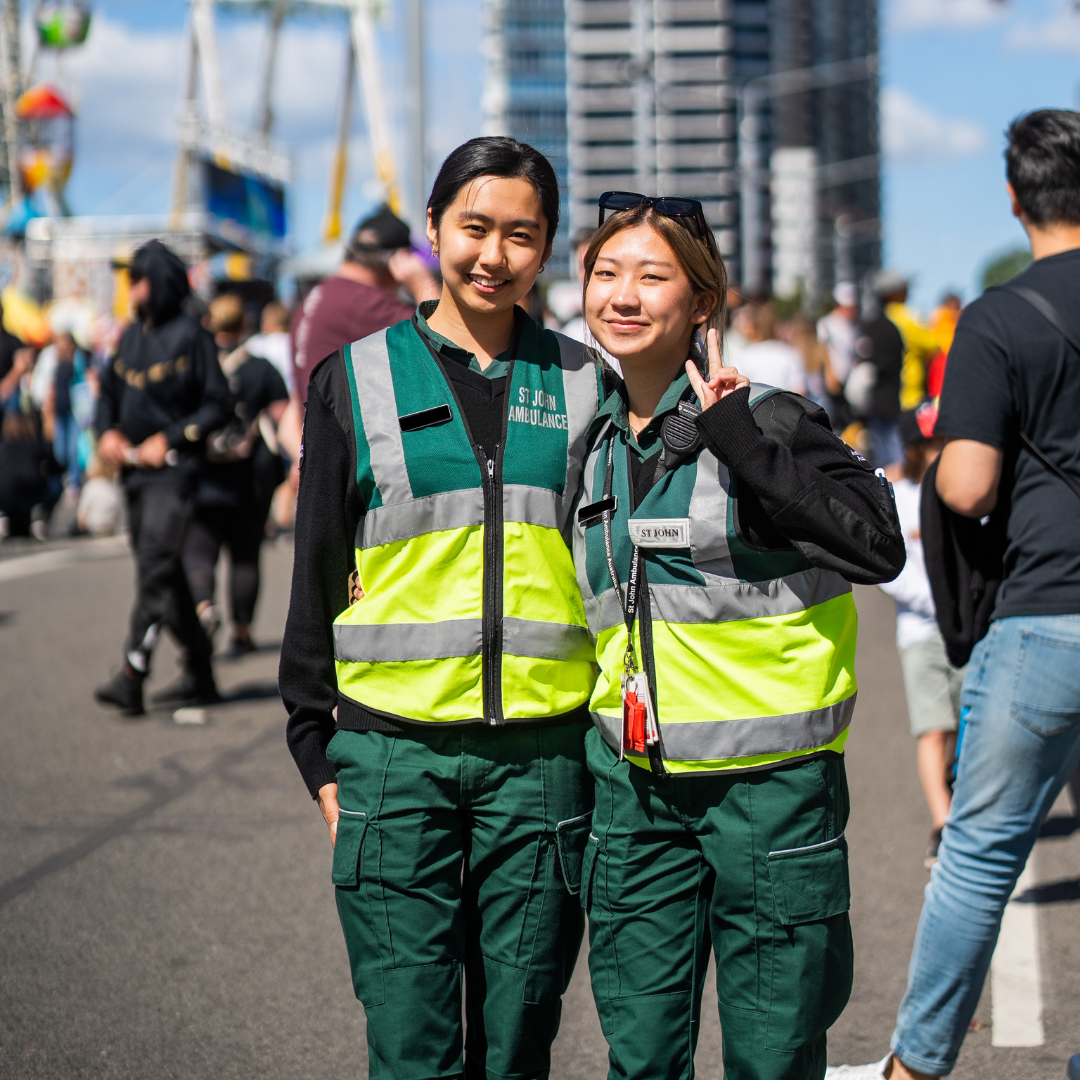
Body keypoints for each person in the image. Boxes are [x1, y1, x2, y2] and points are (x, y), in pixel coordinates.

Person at [279, 137, 602, 1079]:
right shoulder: (355, 378)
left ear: (545, 251)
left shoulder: (589, 385)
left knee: (517, 1045)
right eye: (473, 227)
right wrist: (316, 750)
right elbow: (316, 572)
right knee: (412, 1047)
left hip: (542, 764)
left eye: (520, 235)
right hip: (392, 760)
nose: (492, 256)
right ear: (431, 230)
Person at [572, 193, 905, 1080]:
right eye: (607, 274)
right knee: (640, 1059)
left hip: (768, 797)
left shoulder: (771, 417)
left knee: (773, 1059)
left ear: (703, 303)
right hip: (635, 792)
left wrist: (738, 438)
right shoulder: (590, 442)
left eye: (653, 276)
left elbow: (876, 545)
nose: (624, 295)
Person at [827, 108, 1080, 1080]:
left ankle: (915, 1069)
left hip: (1049, 611)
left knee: (979, 854)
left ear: (1014, 200)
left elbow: (969, 484)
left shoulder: (1002, 318)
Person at [93, 239, 232, 716]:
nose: (130, 288)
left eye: (137, 278)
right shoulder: (129, 336)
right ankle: (201, 671)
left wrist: (170, 439)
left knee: (154, 567)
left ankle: (132, 674)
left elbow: (219, 405)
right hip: (132, 478)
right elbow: (106, 394)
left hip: (174, 477)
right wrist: (106, 432)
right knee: (168, 580)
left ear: (159, 281)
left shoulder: (192, 335)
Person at [178, 293, 290, 661]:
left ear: (209, 323)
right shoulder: (260, 368)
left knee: (199, 548)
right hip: (250, 476)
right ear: (244, 325)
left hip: (204, 474)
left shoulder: (196, 366)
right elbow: (282, 415)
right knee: (245, 555)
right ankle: (242, 631)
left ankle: (205, 607)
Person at [877, 402, 963, 868]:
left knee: (967, 727)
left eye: (944, 444)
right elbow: (891, 568)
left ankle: (961, 803)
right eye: (929, 446)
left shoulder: (967, 492)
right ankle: (943, 823)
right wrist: (939, 604)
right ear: (912, 449)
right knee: (933, 728)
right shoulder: (900, 495)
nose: (937, 453)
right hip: (922, 631)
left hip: (969, 629)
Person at [288, 203, 440, 405]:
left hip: (320, 428)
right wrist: (422, 282)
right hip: (345, 432)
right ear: (398, 261)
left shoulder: (319, 295)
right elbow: (444, 342)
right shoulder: (364, 303)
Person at [851, 282, 906, 470]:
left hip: (879, 399)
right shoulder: (891, 326)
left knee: (886, 452)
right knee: (891, 448)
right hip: (890, 396)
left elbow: (869, 361)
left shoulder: (873, 327)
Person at [872, 271, 940, 412]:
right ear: (893, 293)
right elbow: (933, 345)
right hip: (908, 395)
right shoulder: (905, 316)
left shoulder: (879, 318)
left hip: (884, 394)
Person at [734, 298, 808, 395]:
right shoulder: (790, 353)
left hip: (753, 408)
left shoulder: (742, 357)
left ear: (753, 326)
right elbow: (800, 392)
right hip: (786, 408)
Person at [818, 281, 860, 425]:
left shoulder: (853, 327)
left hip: (850, 384)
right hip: (834, 383)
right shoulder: (827, 323)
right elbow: (824, 350)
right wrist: (831, 374)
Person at [244, 299, 294, 396]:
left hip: (273, 399)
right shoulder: (294, 341)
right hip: (296, 397)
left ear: (266, 324)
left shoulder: (258, 343)